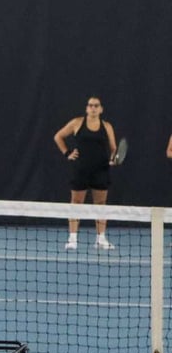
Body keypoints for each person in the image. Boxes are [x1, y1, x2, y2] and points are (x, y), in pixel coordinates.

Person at [53, 96, 118, 250]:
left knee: (101, 205)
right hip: (80, 170)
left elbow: (114, 148)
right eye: (90, 105)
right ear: (86, 108)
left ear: (101, 109)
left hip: (101, 171)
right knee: (76, 204)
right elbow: (58, 136)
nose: (93, 108)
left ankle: (100, 239)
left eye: (96, 105)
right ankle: (73, 239)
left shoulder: (107, 126)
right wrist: (67, 153)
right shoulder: (76, 123)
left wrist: (114, 159)